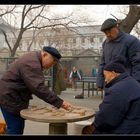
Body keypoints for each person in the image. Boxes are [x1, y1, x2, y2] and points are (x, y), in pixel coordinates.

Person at [0, 46, 72, 135]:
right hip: (9, 98)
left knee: (16, 128)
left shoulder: (33, 59)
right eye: (52, 61)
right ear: (45, 55)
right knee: (15, 129)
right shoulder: (31, 63)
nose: (52, 65)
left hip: (12, 96)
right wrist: (60, 102)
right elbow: (38, 87)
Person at [82, 59, 140, 134]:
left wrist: (93, 126)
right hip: (134, 127)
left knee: (86, 131)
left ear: (113, 73)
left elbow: (105, 119)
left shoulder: (117, 90)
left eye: (105, 75)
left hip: (125, 131)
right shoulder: (132, 82)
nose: (105, 80)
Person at [96, 18, 140, 92]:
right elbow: (102, 64)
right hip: (109, 86)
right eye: (105, 33)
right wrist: (100, 82)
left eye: (109, 31)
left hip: (126, 86)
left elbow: (138, 64)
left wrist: (135, 85)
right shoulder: (105, 44)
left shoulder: (131, 41)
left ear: (117, 27)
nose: (108, 35)